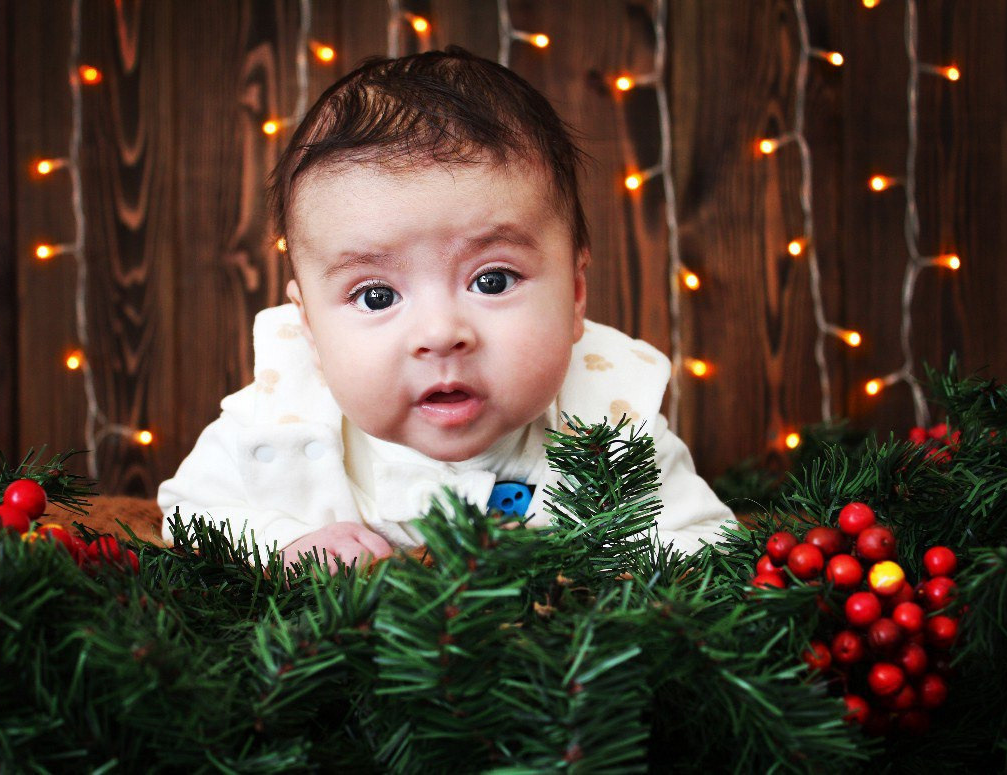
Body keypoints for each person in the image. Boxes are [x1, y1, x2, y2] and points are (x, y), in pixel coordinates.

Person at [158, 46, 732, 568]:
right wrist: (282, 546)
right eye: (376, 296)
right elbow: (188, 515)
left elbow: (707, 546)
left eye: (492, 280)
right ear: (309, 326)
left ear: (576, 294)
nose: (439, 333)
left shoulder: (610, 425)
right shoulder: (276, 427)